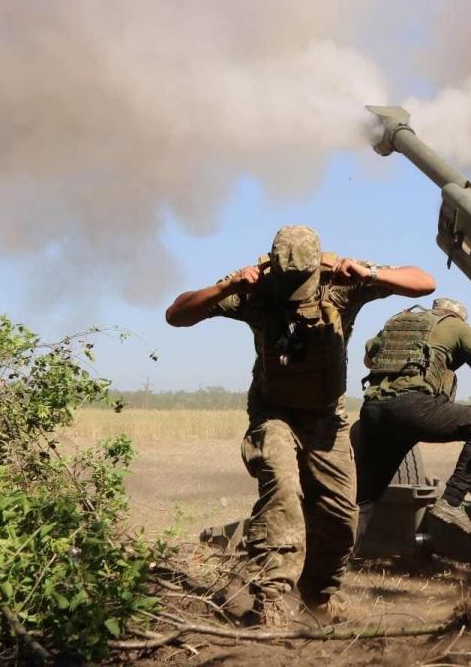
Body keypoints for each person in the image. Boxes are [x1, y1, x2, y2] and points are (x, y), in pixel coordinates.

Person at [164, 225, 434, 624]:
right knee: (283, 493)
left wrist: (370, 274)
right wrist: (225, 288)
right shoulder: (253, 290)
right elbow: (177, 315)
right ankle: (270, 598)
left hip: (327, 419)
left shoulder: (342, 283)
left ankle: (319, 596)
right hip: (275, 414)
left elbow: (424, 283)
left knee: (342, 516)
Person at [356, 298, 471, 538]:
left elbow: (368, 359)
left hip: (373, 411)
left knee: (365, 498)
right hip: (413, 408)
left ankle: (336, 565)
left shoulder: (399, 321)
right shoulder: (454, 325)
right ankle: (452, 501)